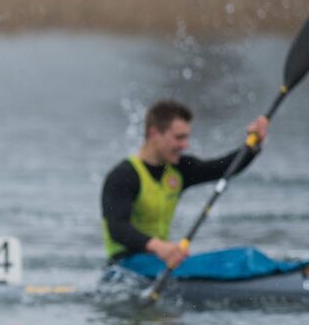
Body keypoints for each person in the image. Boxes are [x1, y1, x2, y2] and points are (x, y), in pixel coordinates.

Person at [101, 99, 269, 268]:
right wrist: (159, 247)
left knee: (241, 257)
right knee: (241, 259)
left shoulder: (180, 169)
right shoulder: (122, 176)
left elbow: (223, 168)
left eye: (186, 138)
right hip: (123, 266)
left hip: (159, 263)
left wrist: (253, 145)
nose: (185, 145)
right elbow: (117, 228)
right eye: (179, 138)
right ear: (154, 134)